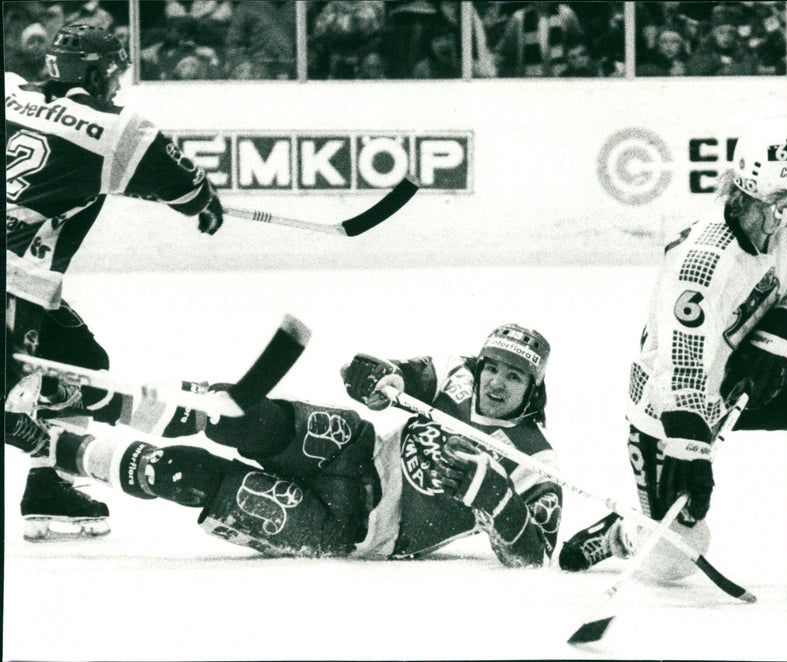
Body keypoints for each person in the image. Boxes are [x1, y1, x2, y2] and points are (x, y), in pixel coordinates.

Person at [7, 324, 563, 566]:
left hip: (357, 529)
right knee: (239, 416)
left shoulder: (534, 457)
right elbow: (389, 371)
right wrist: (375, 375)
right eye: (494, 367)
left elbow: (535, 554)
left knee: (189, 476)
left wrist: (490, 492)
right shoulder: (460, 376)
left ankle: (57, 449)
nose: (496, 382)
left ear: (531, 389)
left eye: (513, 378)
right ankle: (91, 399)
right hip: (356, 447)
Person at [5, 23, 225, 541]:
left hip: (29, 285)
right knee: (26, 391)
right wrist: (202, 203)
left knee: (83, 365)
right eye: (115, 73)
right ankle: (62, 455)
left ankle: (47, 489)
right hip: (15, 282)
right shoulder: (113, 127)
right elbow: (183, 180)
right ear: (101, 72)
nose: (118, 84)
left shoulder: (10, 90)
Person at [558, 124, 787, 580]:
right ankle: (622, 534)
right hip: (668, 404)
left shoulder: (784, 229)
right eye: (781, 203)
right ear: (746, 193)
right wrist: (692, 449)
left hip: (737, 372)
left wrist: (776, 338)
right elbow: (680, 367)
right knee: (677, 550)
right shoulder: (702, 265)